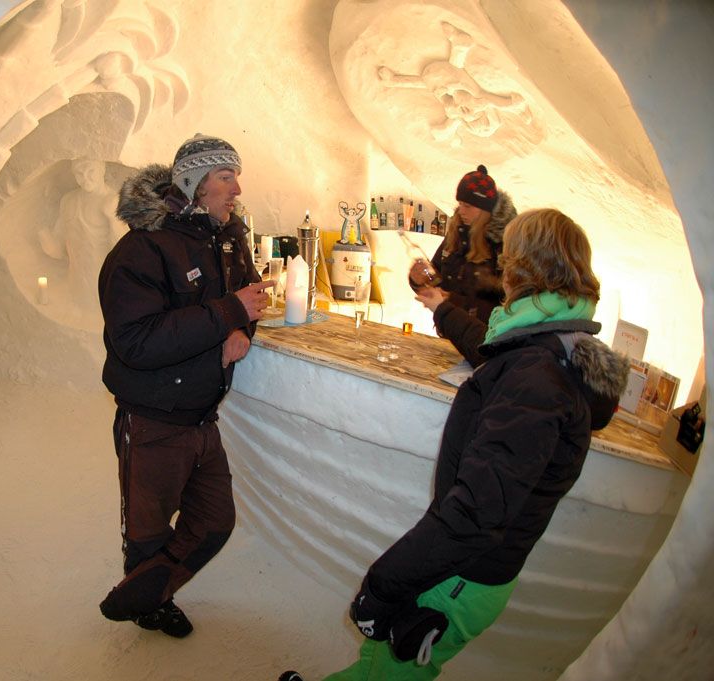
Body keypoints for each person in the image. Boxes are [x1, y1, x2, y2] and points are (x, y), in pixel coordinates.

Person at [283, 208, 629, 681]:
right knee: (383, 658)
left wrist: (382, 586)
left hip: (463, 573)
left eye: (509, 258)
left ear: (523, 268)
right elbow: (487, 346)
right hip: (464, 564)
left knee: (398, 671)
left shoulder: (537, 378)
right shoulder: (554, 345)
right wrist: (442, 306)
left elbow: (477, 514)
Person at [96, 134, 272, 638]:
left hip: (202, 415)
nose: (237, 188)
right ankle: (151, 602)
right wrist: (228, 313)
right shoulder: (140, 251)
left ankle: (145, 593)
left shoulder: (226, 236)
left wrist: (240, 326)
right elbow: (136, 343)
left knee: (214, 522)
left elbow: (251, 296)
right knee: (149, 537)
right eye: (225, 177)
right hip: (151, 419)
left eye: (236, 176)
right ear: (195, 185)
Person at [409, 165, 517, 364]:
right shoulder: (457, 233)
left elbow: (508, 302)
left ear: (485, 208)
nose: (462, 211)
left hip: (486, 341)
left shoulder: (505, 244)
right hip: (452, 333)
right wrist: (419, 280)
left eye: (468, 206)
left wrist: (452, 301)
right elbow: (437, 275)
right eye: (460, 204)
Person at [40, 158, 124, 302]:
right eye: (79, 174)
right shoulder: (68, 201)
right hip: (76, 281)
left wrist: (113, 220)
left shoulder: (113, 201)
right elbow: (59, 244)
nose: (85, 178)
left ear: (102, 170)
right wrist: (48, 242)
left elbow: (125, 251)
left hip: (105, 283)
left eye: (91, 171)